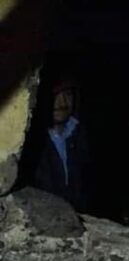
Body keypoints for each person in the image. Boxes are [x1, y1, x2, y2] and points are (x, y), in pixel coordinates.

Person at [28, 77, 92, 213]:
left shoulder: (80, 133)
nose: (62, 102)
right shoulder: (31, 142)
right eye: (55, 95)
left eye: (68, 94)